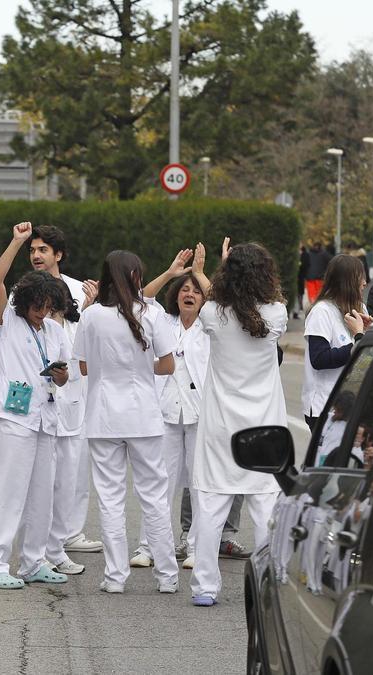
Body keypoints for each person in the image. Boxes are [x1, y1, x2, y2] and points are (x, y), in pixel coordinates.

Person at [74, 249, 180, 595]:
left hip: (103, 417)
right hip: (144, 416)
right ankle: (167, 576)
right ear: (136, 277)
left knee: (110, 498)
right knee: (154, 497)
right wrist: (139, 369)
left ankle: (115, 577)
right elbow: (167, 365)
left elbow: (84, 367)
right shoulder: (151, 314)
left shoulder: (91, 316)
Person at [190, 242, 287, 607]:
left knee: (212, 507)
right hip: (264, 424)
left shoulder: (213, 312)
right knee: (264, 506)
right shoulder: (277, 313)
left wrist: (217, 268)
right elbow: (253, 313)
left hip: (220, 426)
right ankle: (266, 585)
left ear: (227, 274)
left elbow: (218, 300)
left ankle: (204, 587)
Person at [0, 222, 74, 590]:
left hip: (46, 419)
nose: (42, 313)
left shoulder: (54, 331)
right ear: (26, 303)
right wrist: (18, 241)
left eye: (49, 307)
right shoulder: (11, 322)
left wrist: (60, 375)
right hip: (14, 419)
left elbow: (64, 377)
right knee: (7, 491)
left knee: (40, 495)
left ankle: (34, 562)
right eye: (37, 306)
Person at [129, 244, 211, 572]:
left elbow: (222, 303)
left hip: (199, 415)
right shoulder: (163, 322)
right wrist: (171, 272)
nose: (189, 294)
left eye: (195, 291)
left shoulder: (210, 328)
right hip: (164, 414)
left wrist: (201, 274)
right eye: (184, 290)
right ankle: (148, 546)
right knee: (159, 483)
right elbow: (141, 300)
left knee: (199, 485)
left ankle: (195, 547)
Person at [25, 224, 103, 556]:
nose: (36, 255)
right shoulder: (26, 291)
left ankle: (71, 532)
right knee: (42, 469)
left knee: (74, 465)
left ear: (58, 254)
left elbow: (85, 339)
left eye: (43, 250)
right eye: (32, 250)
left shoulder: (79, 290)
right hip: (41, 388)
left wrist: (88, 306)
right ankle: (38, 532)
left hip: (74, 390)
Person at [42, 276, 89, 575]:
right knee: (41, 488)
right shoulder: (35, 329)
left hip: (71, 417)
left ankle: (56, 550)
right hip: (41, 416)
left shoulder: (77, 328)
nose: (46, 309)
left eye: (51, 303)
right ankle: (36, 550)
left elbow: (82, 367)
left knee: (65, 487)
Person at [301, 255, 367, 430]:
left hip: (351, 404)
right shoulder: (322, 312)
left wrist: (371, 332)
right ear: (346, 282)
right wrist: (357, 344)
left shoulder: (360, 308)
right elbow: (319, 359)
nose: (365, 283)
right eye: (360, 278)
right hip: (325, 408)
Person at [304, 241, 331, 305]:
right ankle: (318, 305)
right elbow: (331, 261)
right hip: (320, 278)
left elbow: (305, 265)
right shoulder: (324, 254)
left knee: (312, 295)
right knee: (319, 294)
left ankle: (313, 306)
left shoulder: (308, 254)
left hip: (310, 277)